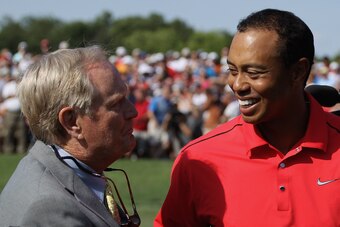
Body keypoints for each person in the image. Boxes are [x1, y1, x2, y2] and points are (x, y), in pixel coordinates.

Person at [155, 9, 340, 227]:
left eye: (253, 73)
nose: (237, 85)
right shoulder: (198, 158)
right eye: (233, 70)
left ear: (298, 72)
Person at [0, 46, 141, 226]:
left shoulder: (57, 173)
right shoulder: (51, 209)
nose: (133, 111)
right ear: (72, 121)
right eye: (116, 104)